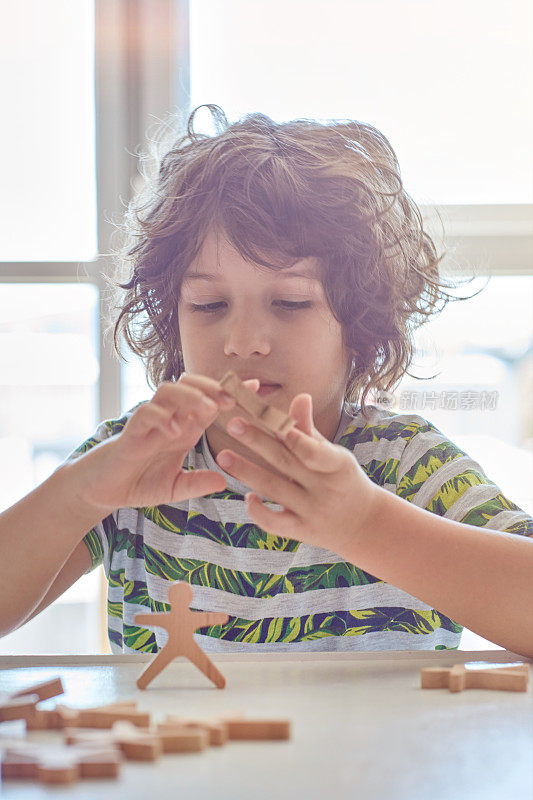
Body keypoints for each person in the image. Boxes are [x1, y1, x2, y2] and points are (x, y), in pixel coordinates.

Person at [1, 105, 532, 657]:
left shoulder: (406, 466)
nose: (243, 340)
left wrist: (366, 522)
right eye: (209, 305)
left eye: (290, 302)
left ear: (359, 324)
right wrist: (78, 495)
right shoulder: (133, 461)